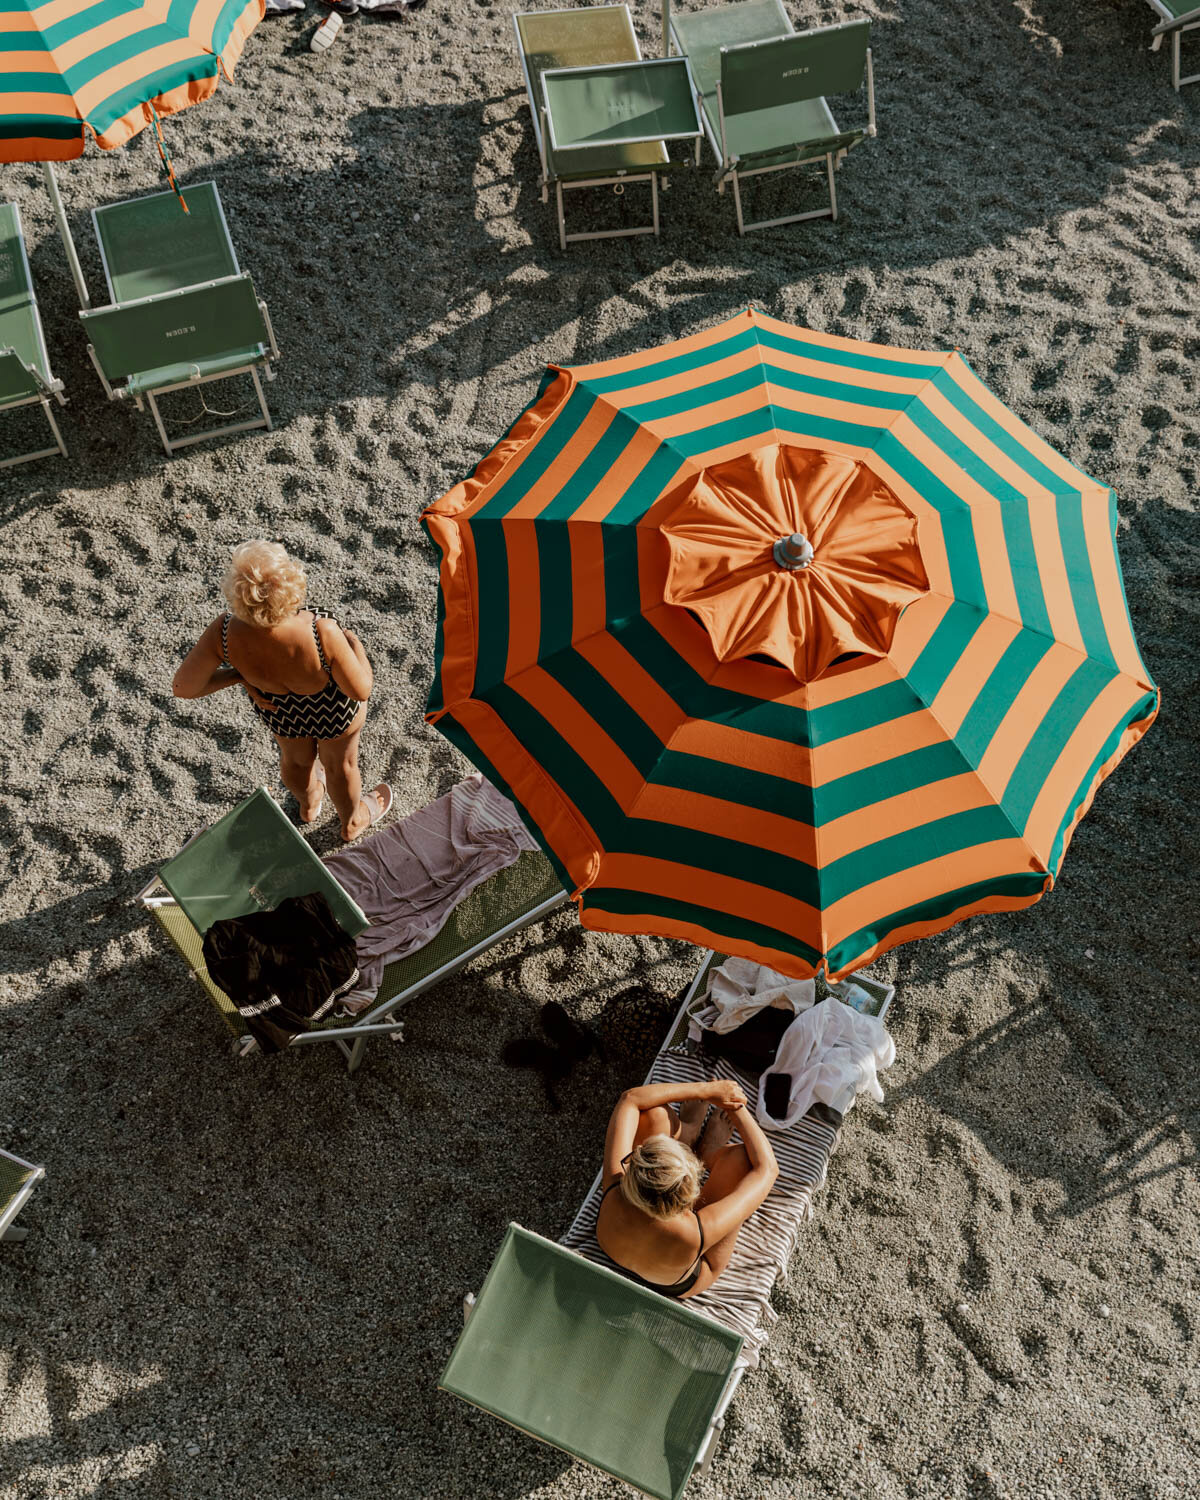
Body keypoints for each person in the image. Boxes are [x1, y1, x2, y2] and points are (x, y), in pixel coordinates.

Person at [172, 541, 391, 842]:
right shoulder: (319, 631)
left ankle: (309, 802)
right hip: (333, 710)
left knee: (297, 762)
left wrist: (239, 675)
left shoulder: (223, 633)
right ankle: (350, 822)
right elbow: (360, 690)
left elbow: (184, 688)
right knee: (341, 766)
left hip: (281, 711)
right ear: (292, 587)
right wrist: (356, 647)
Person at [596, 1077, 778, 1300]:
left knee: (653, 1116)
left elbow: (631, 1099)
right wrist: (732, 1103)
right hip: (678, 1282)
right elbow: (767, 1169)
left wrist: (705, 1090)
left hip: (615, 1252)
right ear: (689, 1200)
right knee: (742, 1161)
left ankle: (688, 1132)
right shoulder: (698, 1230)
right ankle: (709, 1152)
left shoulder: (616, 1184)